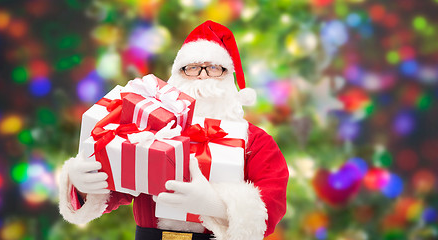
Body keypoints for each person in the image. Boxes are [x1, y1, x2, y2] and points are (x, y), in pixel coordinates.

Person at [58, 20, 289, 240]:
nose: (202, 76)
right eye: (192, 68)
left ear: (230, 78)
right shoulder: (147, 130)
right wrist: (82, 184)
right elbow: (118, 180)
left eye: (214, 68)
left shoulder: (255, 141)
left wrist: (215, 205)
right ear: (177, 76)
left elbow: (272, 201)